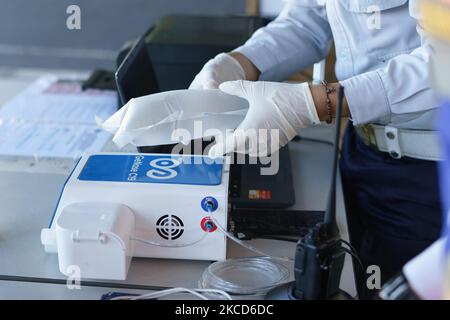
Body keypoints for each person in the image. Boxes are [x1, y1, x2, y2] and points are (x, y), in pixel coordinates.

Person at [190, 0, 442, 298]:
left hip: (429, 175)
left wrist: (313, 103)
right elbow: (310, 17)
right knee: (358, 278)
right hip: (362, 150)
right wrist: (239, 62)